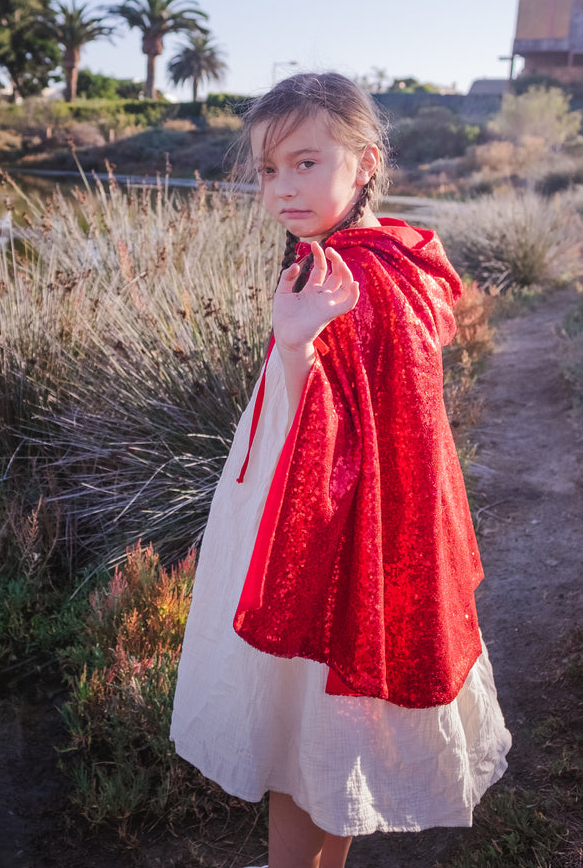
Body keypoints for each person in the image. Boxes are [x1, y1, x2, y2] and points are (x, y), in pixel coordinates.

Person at [170, 72, 511, 868]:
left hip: (325, 536)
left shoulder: (340, 279)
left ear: (363, 164)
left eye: (304, 163)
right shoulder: (384, 253)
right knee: (340, 723)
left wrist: (292, 344)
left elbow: (324, 433)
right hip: (378, 526)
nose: (280, 187)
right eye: (265, 169)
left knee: (300, 730)